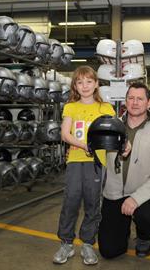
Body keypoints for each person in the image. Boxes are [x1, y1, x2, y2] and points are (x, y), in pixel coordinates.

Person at [98, 82, 150, 259]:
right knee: (109, 251)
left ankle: (143, 237)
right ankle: (121, 229)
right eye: (131, 98)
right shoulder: (113, 126)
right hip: (114, 193)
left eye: (140, 98)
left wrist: (136, 198)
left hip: (142, 191)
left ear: (149, 103)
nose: (135, 102)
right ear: (125, 101)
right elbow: (96, 151)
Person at [53, 66, 115, 265]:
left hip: (96, 163)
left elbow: (113, 132)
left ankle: (88, 244)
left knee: (92, 202)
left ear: (96, 83)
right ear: (75, 86)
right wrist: (84, 145)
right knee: (70, 200)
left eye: (89, 81)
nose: (85, 86)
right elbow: (65, 134)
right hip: (75, 160)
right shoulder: (71, 107)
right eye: (80, 82)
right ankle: (66, 243)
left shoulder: (105, 108)